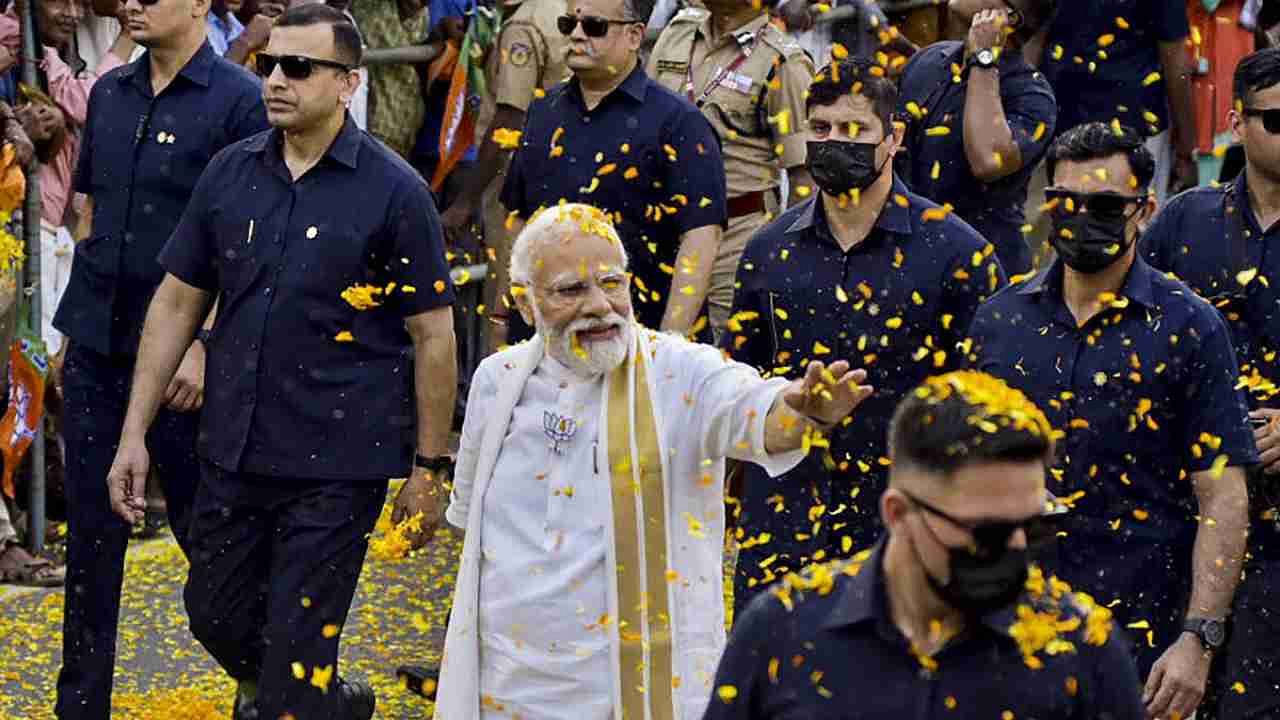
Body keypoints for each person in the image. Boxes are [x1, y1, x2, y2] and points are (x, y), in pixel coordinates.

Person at [102, 5, 457, 718]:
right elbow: (177, 301)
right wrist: (132, 434)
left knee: (295, 657)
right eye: (268, 64)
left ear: (348, 83)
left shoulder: (394, 192)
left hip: (339, 461)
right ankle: (332, 703)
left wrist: (428, 469)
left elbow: (434, 337)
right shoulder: (232, 173)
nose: (276, 80)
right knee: (212, 613)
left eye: (300, 67)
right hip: (234, 448)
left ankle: (302, 696)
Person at [432, 202, 873, 719]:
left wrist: (805, 417)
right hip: (507, 689)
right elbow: (474, 536)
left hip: (629, 692)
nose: (600, 305)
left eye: (612, 283)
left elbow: (758, 415)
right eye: (571, 290)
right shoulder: (495, 381)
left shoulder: (680, 372)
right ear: (526, 305)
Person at [967, 122, 1255, 720]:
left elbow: (1223, 495)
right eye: (1067, 203)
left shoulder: (1189, 327)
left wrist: (1198, 639)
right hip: (1011, 625)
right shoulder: (999, 321)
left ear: (1143, 210)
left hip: (1143, 633)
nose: (1081, 218)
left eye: (1103, 206)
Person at [723, 58, 1006, 617]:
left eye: (855, 131)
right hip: (785, 515)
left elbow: (984, 401)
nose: (835, 143)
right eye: (822, 129)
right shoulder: (768, 249)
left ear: (894, 137)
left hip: (904, 515)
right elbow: (738, 381)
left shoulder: (956, 253)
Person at [49, 0, 268, 714]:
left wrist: (203, 345)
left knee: (210, 539)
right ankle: (80, 708)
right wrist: (69, 336)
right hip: (96, 349)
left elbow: (250, 242)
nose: (132, 4)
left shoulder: (240, 102)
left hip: (182, 364)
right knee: (89, 545)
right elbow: (89, 213)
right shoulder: (110, 93)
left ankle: (268, 682)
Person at [704, 370, 1146, 720]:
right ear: (898, 513)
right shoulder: (782, 633)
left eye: (1033, 527)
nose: (1014, 548)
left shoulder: (1080, 647)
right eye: (986, 531)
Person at [1140, 47, 1280, 719]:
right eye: (1276, 120)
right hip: (1186, 507)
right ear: (1237, 121)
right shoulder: (1182, 222)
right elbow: (1133, 332)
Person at [500, 0, 728, 337]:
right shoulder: (542, 112)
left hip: (638, 333)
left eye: (594, 26)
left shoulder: (679, 123)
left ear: (635, 36)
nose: (577, 35)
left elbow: (701, 236)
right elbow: (517, 220)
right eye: (568, 25)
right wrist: (503, 318)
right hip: (550, 341)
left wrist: (667, 343)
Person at [646, 0, 815, 335]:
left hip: (736, 235)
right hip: (662, 228)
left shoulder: (784, 61)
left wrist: (788, 255)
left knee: (730, 354)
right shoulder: (679, 32)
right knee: (656, 348)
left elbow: (804, 177)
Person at [436, 0, 570, 347]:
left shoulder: (522, 29)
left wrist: (464, 202)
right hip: (561, 178)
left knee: (507, 303)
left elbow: (509, 120)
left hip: (516, 190)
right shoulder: (563, 9)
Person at [895, 0, 1058, 277]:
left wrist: (984, 58)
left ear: (1008, 17)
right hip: (912, 255)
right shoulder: (931, 59)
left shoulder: (1033, 96)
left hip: (986, 267)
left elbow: (988, 161)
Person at [1039, 0, 1197, 202]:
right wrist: (1186, 148)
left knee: (1066, 216)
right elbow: (1175, 60)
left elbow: (1032, 35)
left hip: (1065, 113)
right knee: (1131, 219)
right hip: (1131, 120)